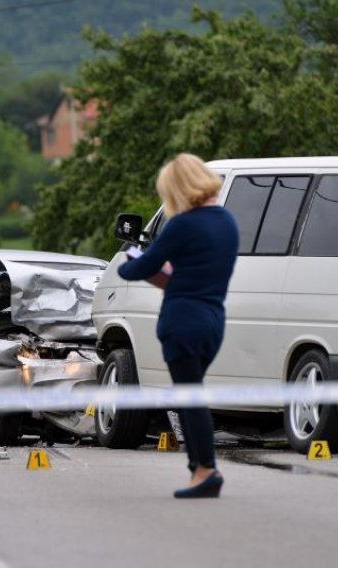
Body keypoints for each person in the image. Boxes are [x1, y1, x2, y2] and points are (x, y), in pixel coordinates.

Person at [117, 153, 239, 499]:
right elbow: (190, 274)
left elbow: (140, 267)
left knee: (189, 397)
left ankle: (204, 470)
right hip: (213, 320)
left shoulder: (182, 224)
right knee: (192, 394)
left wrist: (129, 258)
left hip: (182, 321)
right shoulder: (227, 222)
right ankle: (198, 469)